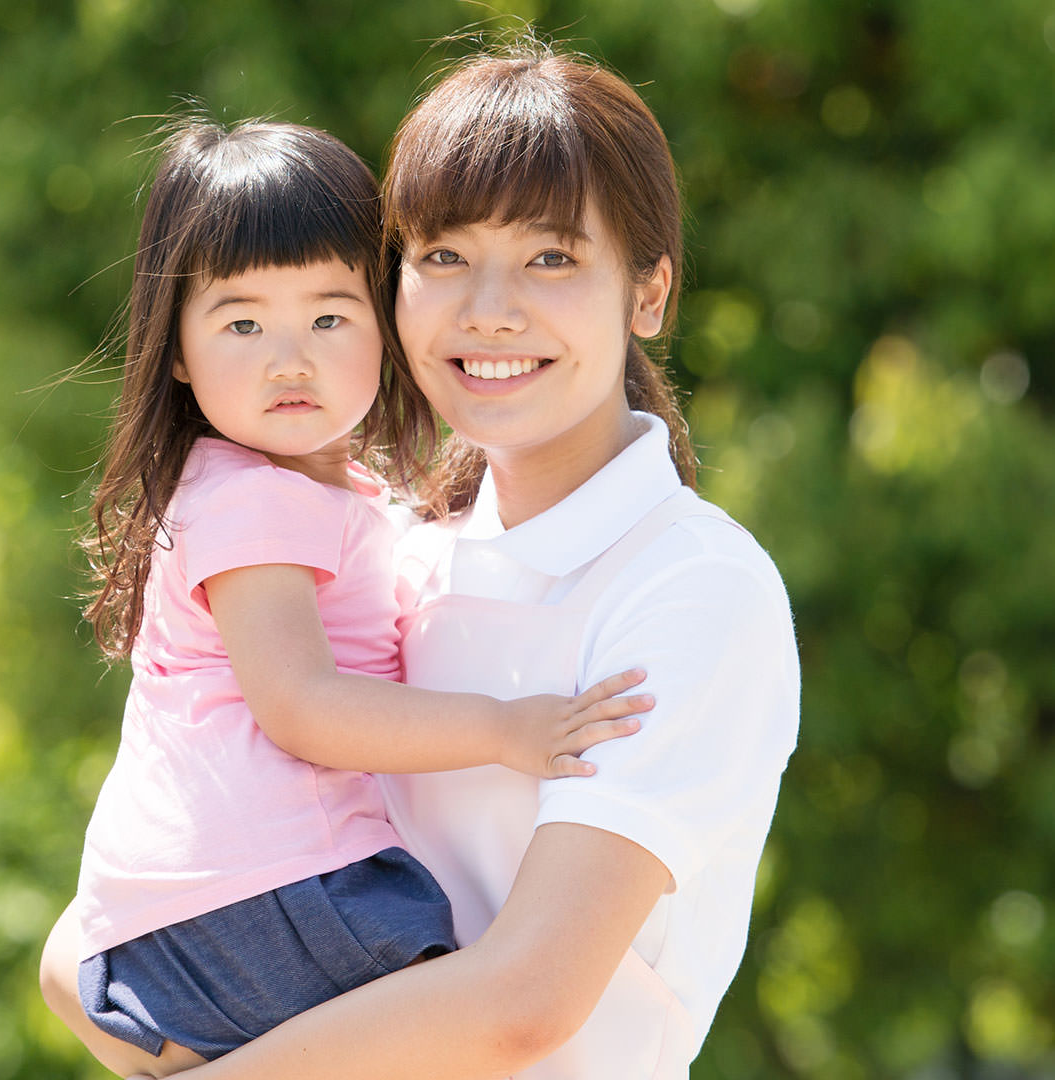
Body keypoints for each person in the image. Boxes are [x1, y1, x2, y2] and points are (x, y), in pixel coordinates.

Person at [44, 37, 801, 1080]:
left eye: (551, 257)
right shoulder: (395, 554)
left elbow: (522, 1006)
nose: (489, 308)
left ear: (650, 293)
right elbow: (76, 956)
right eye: (443, 256)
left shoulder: (690, 587)